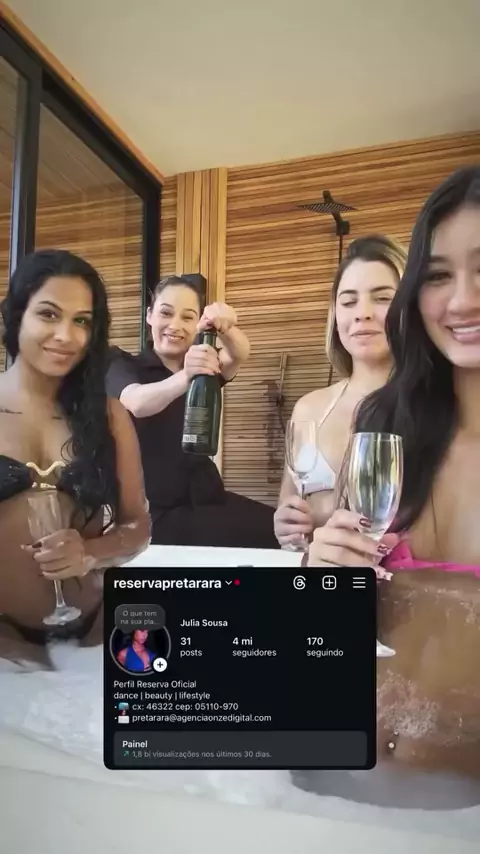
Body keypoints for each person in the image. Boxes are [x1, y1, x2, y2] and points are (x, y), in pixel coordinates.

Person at [307, 167, 480, 805]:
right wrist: (322, 570)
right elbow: (336, 626)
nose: (461, 301)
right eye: (437, 275)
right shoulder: (385, 427)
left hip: (460, 804)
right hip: (353, 770)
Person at [0, 249, 150, 667]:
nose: (67, 336)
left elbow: (138, 526)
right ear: (17, 316)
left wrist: (89, 552)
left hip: (97, 628)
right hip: (6, 642)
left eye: (82, 321)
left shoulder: (108, 416)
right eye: (48, 314)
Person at [106, 275, 278, 549]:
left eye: (187, 317)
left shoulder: (206, 368)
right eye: (166, 313)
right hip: (156, 515)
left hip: (208, 499)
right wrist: (188, 375)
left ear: (198, 323)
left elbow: (239, 353)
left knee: (284, 531)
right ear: (149, 315)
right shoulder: (120, 363)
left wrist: (226, 326)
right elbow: (137, 402)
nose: (175, 325)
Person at [274, 235, 407, 549]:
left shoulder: (436, 406)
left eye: (382, 298)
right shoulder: (309, 408)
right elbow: (287, 507)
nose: (362, 313)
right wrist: (286, 526)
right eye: (348, 302)